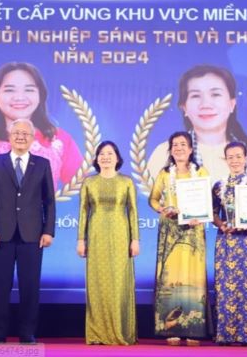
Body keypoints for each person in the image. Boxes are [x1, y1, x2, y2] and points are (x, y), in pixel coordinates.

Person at [0, 118, 56, 344]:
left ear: (32, 138)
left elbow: (49, 201)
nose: (21, 137)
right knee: (0, 286)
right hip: (0, 235)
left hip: (32, 235)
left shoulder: (42, 164)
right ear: (10, 136)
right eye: (17, 133)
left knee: (30, 286)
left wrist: (48, 231)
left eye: (25, 134)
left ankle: (27, 332)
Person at [147, 65, 247, 184]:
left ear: (232, 104)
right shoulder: (164, 154)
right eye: (196, 96)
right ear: (184, 107)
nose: (206, 104)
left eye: (215, 94)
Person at [0, 62, 83, 188]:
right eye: (9, 90)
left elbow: (82, 187)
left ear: (40, 96)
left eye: (29, 90)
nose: (19, 97)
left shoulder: (59, 140)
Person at [149, 131, 213, 346]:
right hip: (170, 231)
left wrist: (200, 215)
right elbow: (153, 199)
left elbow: (207, 201)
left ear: (191, 149)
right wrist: (162, 209)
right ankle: (171, 329)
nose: (179, 148)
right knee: (170, 277)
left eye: (183, 144)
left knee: (193, 277)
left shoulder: (201, 172)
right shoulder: (165, 173)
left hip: (194, 230)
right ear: (170, 149)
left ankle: (194, 329)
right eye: (175, 144)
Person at [77, 141, 140, 345]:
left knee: (119, 282)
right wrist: (81, 239)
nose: (105, 157)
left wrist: (135, 239)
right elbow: (83, 212)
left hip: (121, 236)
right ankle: (97, 333)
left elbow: (133, 212)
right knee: (97, 283)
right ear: (96, 159)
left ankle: (121, 331)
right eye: (101, 154)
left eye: (110, 153)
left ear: (117, 158)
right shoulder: (89, 182)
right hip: (96, 237)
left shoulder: (126, 182)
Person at [212, 141, 247, 346]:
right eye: (230, 157)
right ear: (226, 159)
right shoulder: (219, 186)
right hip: (227, 241)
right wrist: (222, 225)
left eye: (238, 156)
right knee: (226, 287)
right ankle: (225, 335)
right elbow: (213, 214)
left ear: (245, 158)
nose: (234, 160)